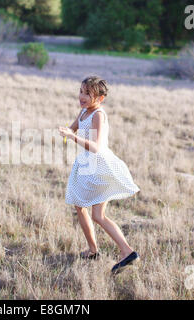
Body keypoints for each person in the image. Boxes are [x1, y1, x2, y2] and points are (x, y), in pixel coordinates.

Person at [58, 76, 141, 274]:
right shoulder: (83, 112)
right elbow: (73, 128)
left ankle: (127, 252)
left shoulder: (98, 115)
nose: (82, 96)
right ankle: (94, 250)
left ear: (100, 98)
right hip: (88, 165)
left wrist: (73, 137)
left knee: (98, 215)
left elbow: (96, 147)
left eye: (88, 93)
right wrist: (66, 132)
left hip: (100, 166)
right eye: (81, 91)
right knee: (81, 207)